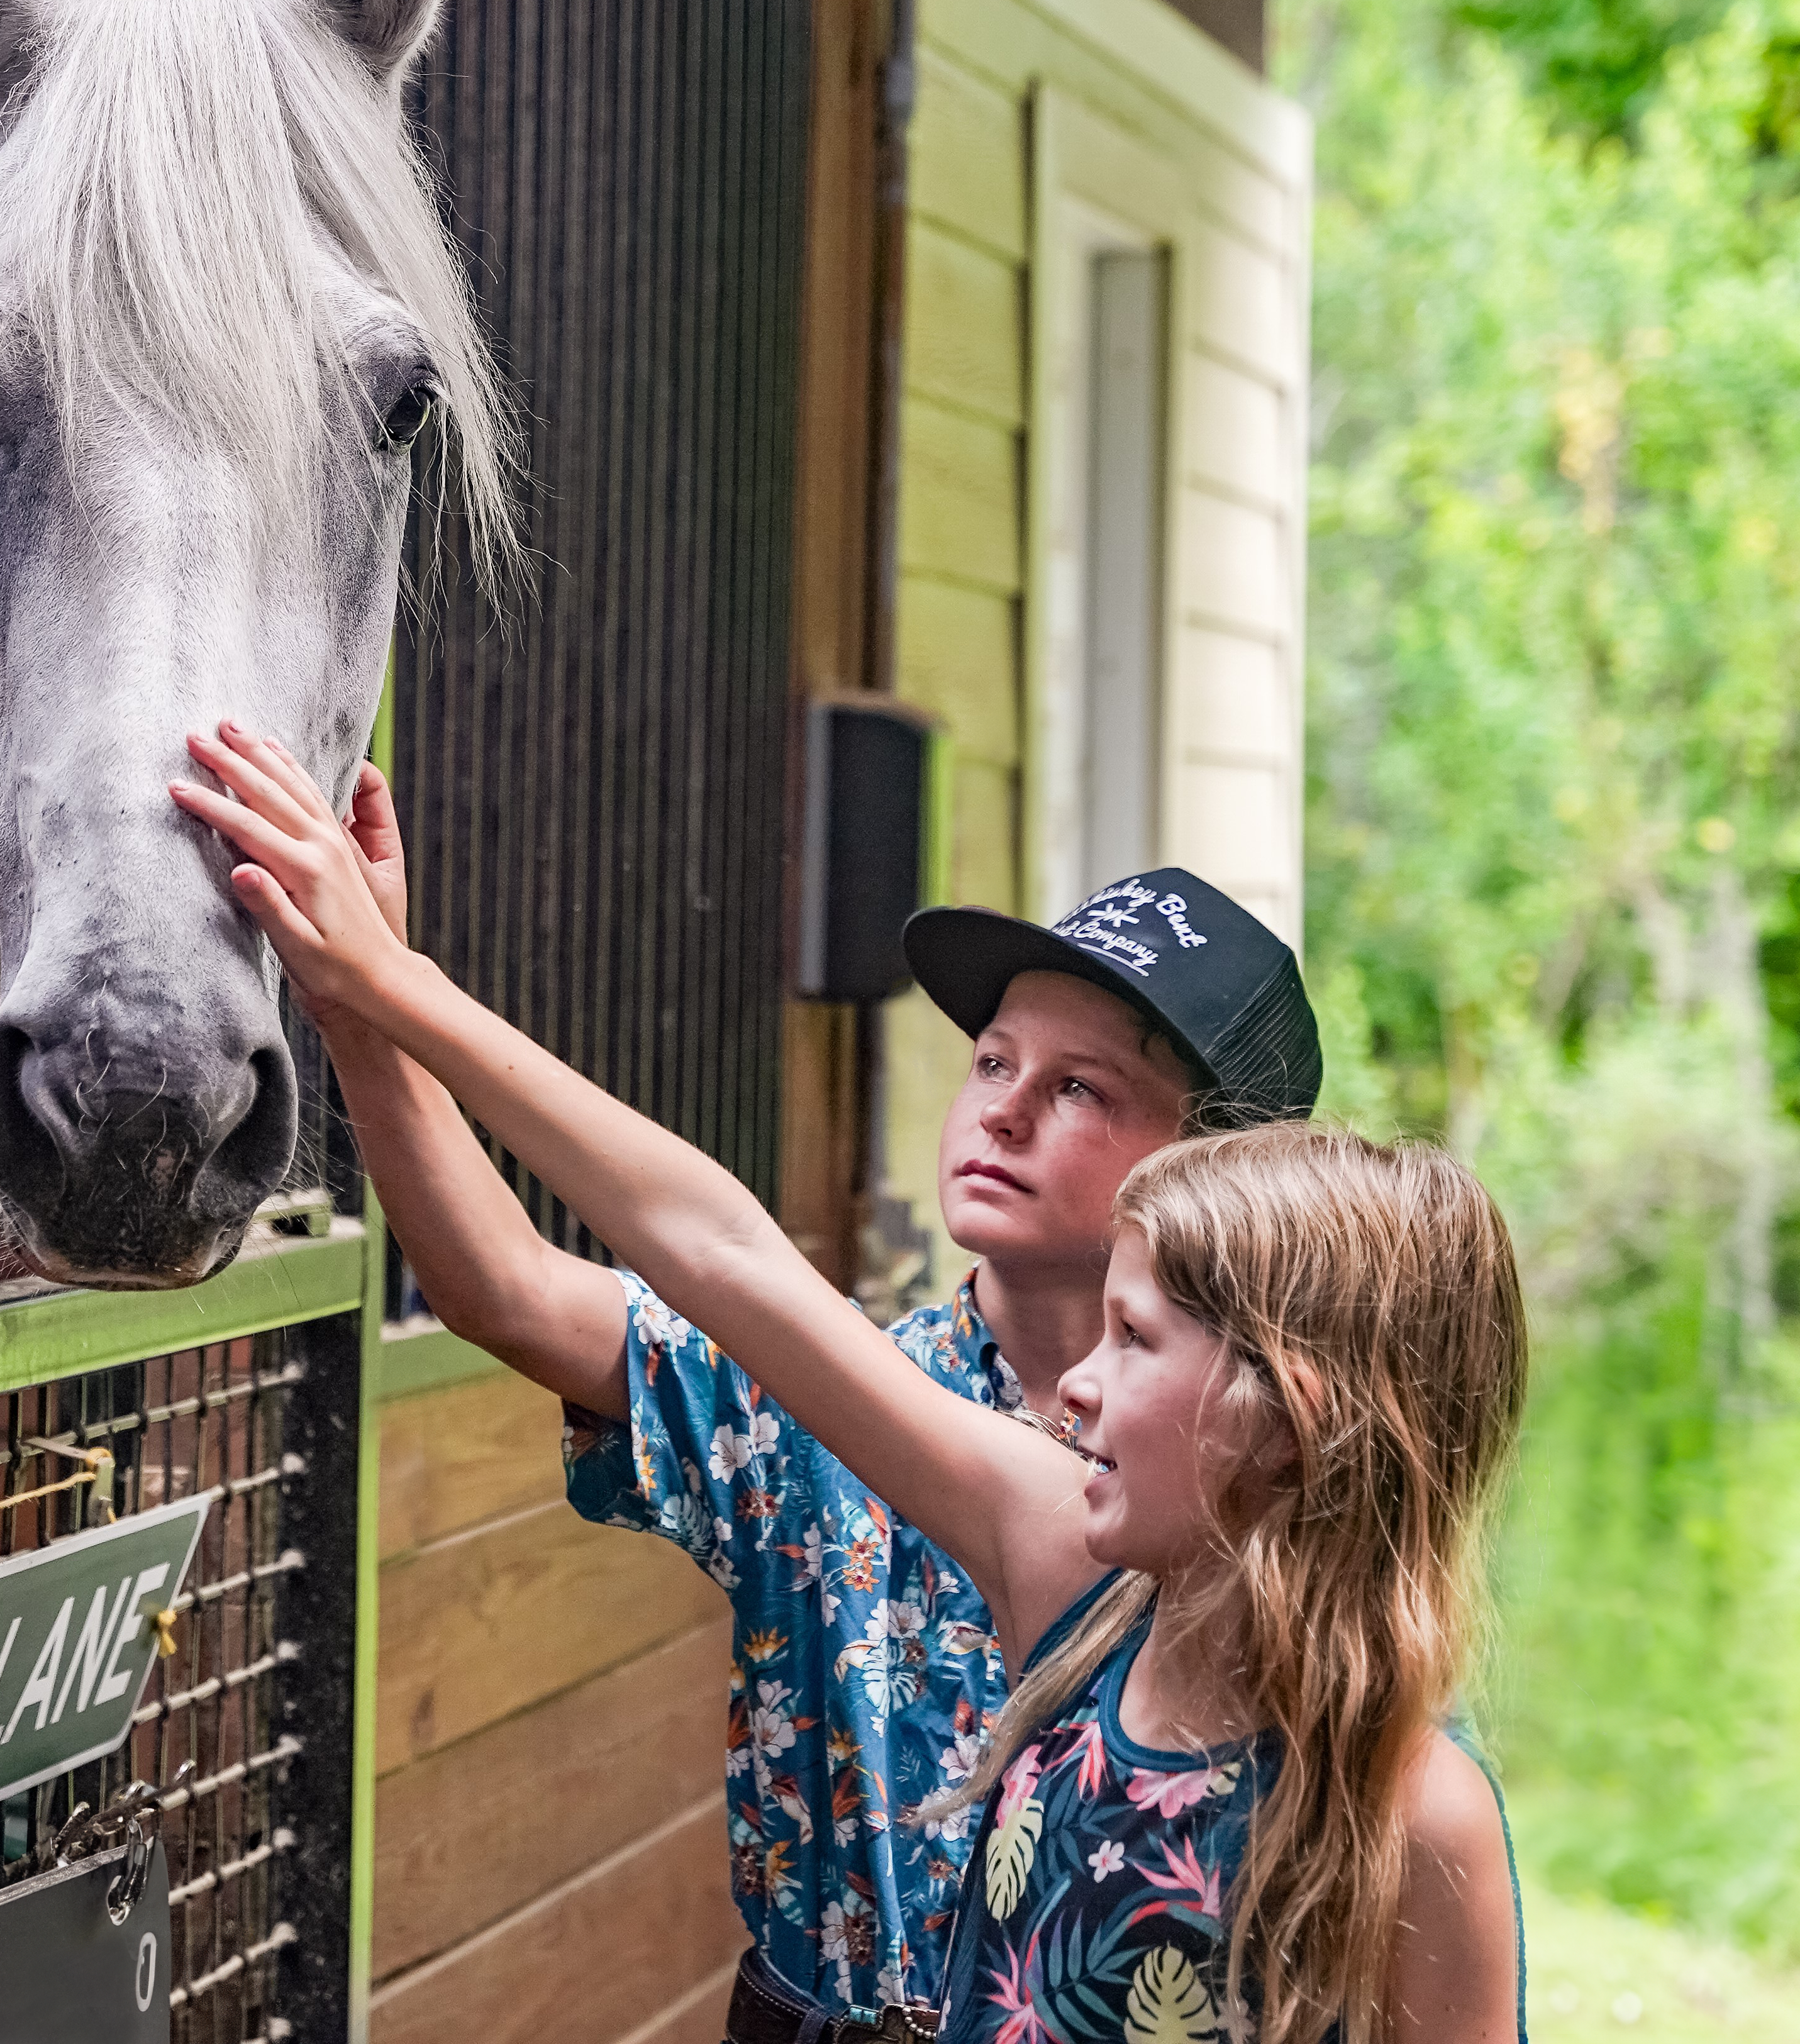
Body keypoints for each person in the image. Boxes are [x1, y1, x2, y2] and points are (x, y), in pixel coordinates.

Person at [173, 724, 1529, 2044]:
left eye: (1080, 1087)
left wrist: (387, 984)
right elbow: (622, 1268)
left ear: (1223, 1175)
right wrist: (371, 992)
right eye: (992, 1060)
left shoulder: (1379, 1782)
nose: (1000, 1108)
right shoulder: (954, 1461)